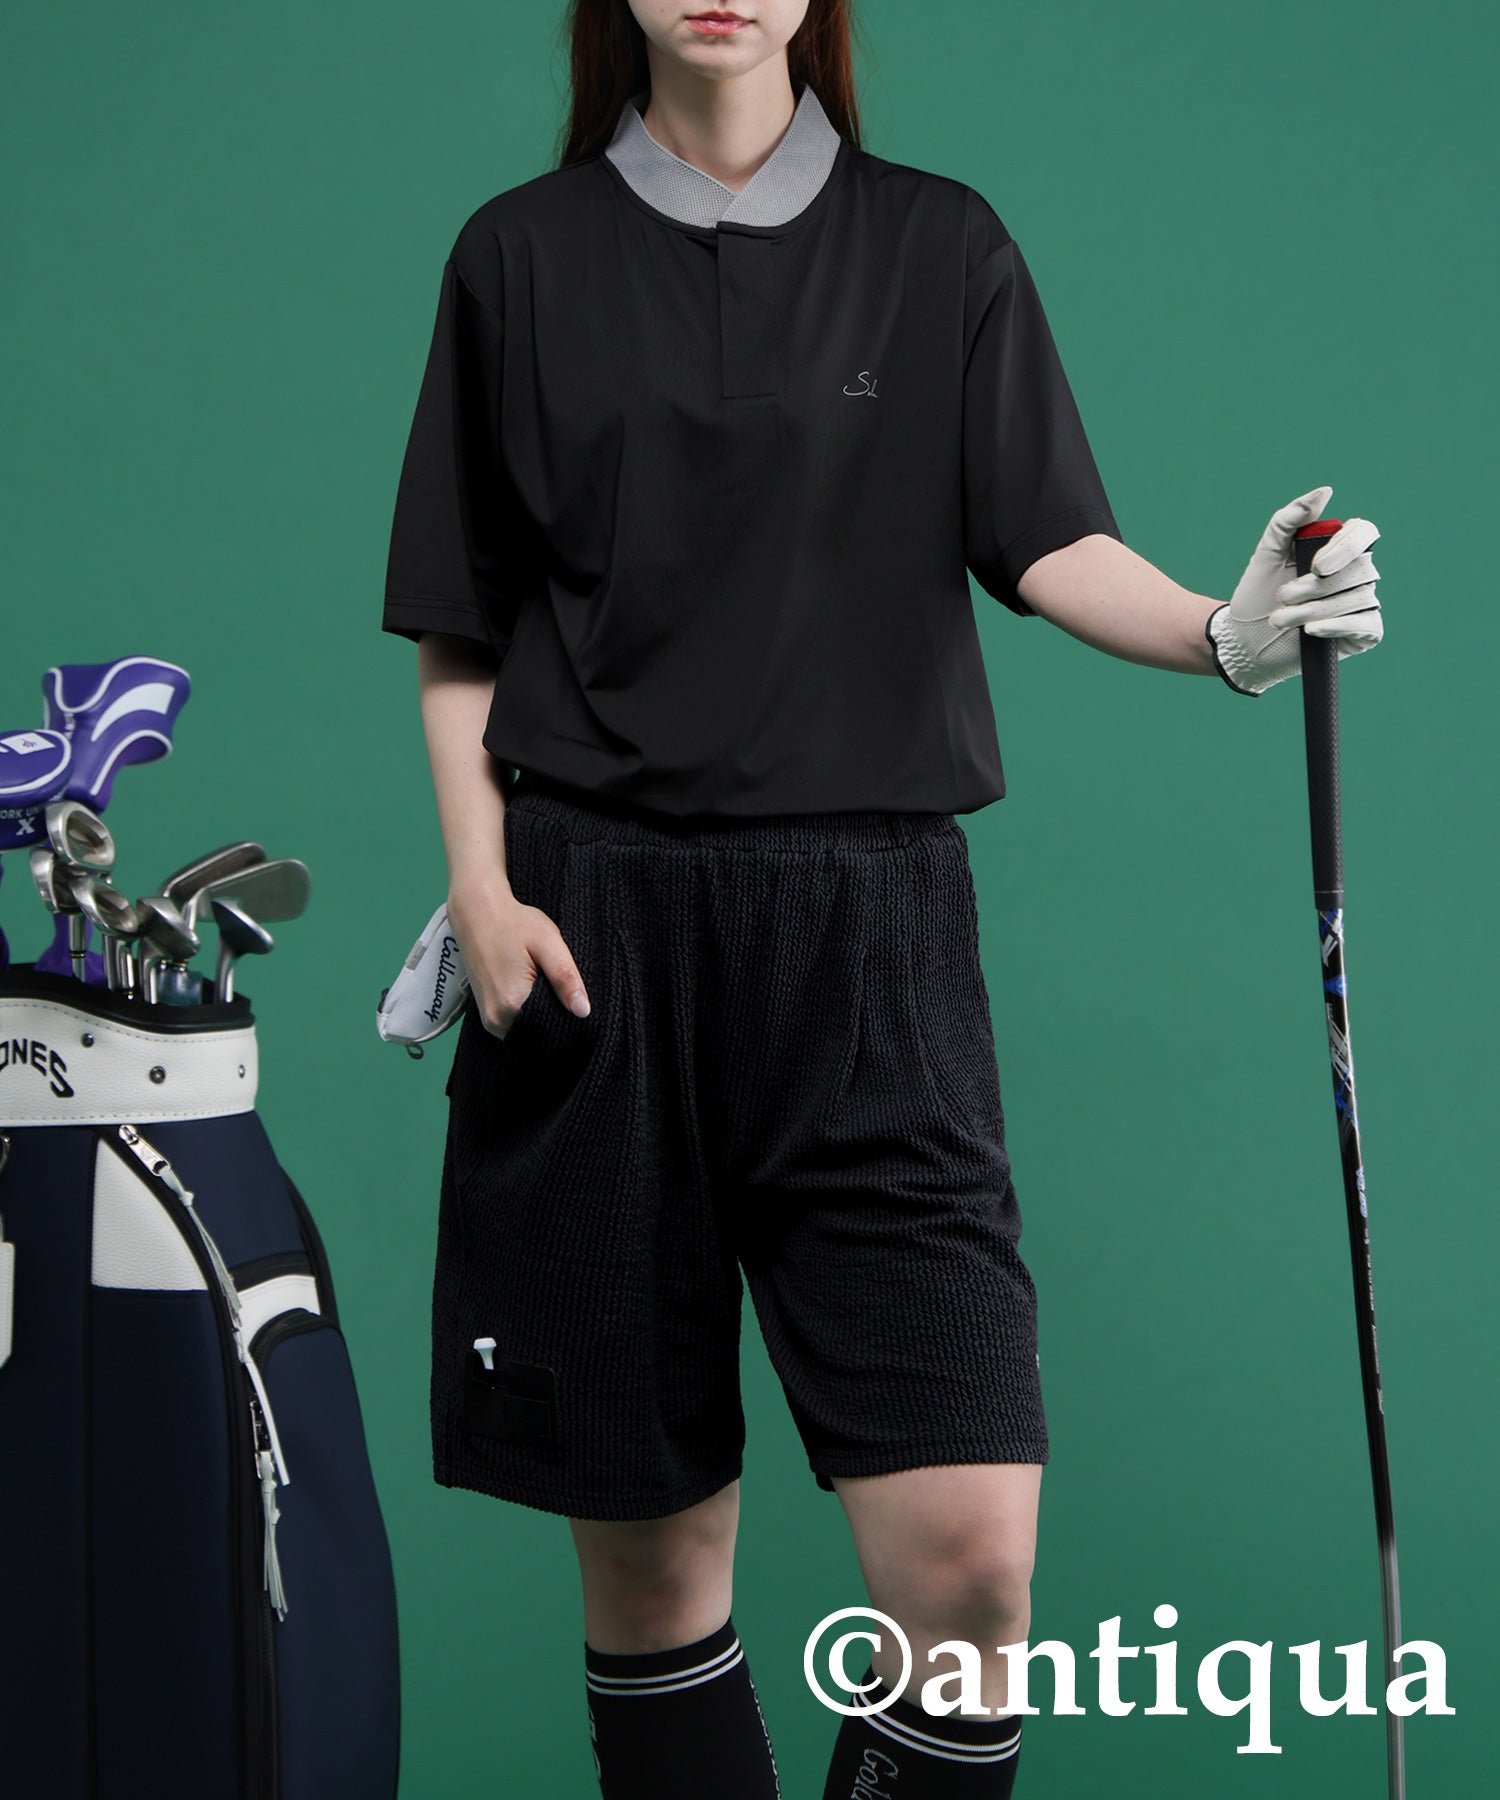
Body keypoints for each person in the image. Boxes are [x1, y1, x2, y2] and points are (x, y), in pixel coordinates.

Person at [381, 3, 1386, 1794]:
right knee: (655, 1571)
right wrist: (480, 886)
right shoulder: (517, 256)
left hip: (873, 944)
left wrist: (1228, 637)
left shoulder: (941, 244)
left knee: (973, 1576)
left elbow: (1046, 537)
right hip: (592, 940)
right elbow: (466, 621)